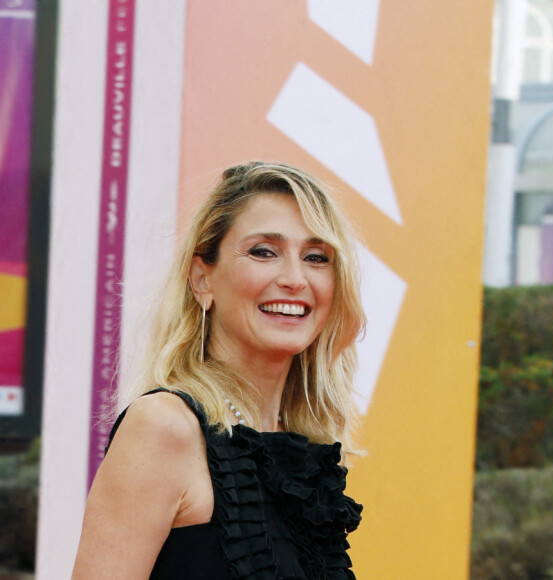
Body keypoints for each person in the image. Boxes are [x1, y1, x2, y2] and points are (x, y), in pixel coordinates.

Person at [72, 161, 365, 579]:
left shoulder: (307, 453)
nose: (295, 279)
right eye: (264, 251)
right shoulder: (164, 428)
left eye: (317, 257)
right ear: (201, 279)